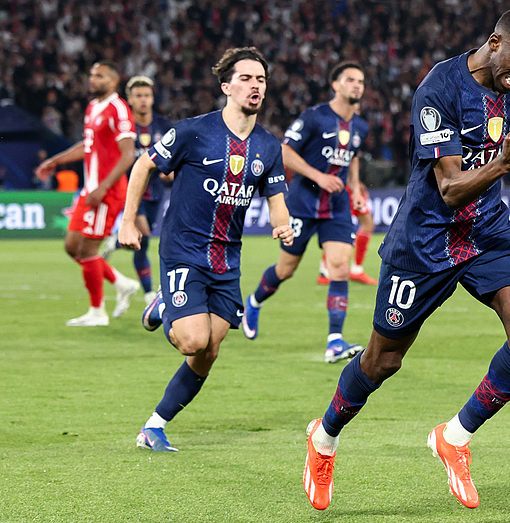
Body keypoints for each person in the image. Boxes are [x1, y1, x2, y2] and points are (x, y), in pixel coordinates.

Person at [301, 7, 510, 511]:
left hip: (486, 232)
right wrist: (505, 163)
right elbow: (451, 189)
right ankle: (323, 438)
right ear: (495, 42)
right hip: (426, 240)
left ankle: (454, 437)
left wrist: (503, 156)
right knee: (382, 361)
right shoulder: (439, 89)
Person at [117, 46, 293, 452]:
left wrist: (282, 223)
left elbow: (276, 197)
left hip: (226, 259)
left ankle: (154, 426)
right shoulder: (193, 132)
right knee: (192, 340)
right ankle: (165, 305)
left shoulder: (268, 146)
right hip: (183, 250)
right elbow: (143, 165)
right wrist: (128, 221)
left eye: (261, 79)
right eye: (246, 78)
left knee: (209, 350)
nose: (255, 86)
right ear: (226, 86)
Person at [242, 61, 370, 363]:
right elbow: (285, 151)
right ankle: (254, 301)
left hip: (337, 206)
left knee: (340, 267)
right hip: (303, 203)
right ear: (335, 85)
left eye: (361, 81)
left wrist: (355, 188)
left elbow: (352, 157)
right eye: (350, 80)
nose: (357, 85)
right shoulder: (315, 117)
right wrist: (318, 177)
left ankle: (335, 341)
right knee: (286, 269)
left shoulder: (360, 126)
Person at [36, 62, 141, 327]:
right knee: (73, 247)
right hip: (90, 189)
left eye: (99, 76)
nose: (93, 79)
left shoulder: (118, 109)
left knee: (88, 250)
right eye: (92, 75)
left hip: (107, 191)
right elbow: (88, 145)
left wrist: (103, 187)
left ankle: (97, 312)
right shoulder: (93, 107)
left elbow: (128, 155)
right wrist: (56, 161)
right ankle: (122, 283)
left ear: (114, 81)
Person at [102, 76, 174, 307]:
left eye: (147, 95)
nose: (143, 100)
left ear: (152, 99)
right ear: (130, 100)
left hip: (155, 191)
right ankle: (149, 293)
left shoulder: (164, 126)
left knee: (142, 242)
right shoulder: (124, 128)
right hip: (130, 189)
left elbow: (175, 157)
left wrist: (170, 171)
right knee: (143, 231)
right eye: (138, 96)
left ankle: (117, 244)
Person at [318, 103, 378, 286]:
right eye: (355, 108)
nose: (357, 112)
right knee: (349, 225)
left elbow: (353, 160)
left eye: (359, 109)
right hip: (338, 184)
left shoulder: (354, 129)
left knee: (363, 223)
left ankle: (331, 270)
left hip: (347, 185)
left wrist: (356, 184)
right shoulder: (337, 127)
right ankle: (335, 270)